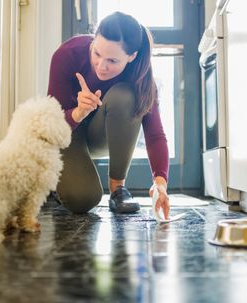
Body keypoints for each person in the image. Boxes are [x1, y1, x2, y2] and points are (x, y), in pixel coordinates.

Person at [47, 11, 170, 218]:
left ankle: (118, 190)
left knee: (126, 97)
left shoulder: (141, 76)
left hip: (101, 134)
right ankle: (57, 186)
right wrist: (78, 112)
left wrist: (160, 183)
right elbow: (50, 124)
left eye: (112, 61)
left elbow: (155, 134)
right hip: (68, 134)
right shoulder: (67, 54)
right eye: (96, 53)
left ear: (131, 57)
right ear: (93, 39)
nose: (101, 66)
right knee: (83, 199)